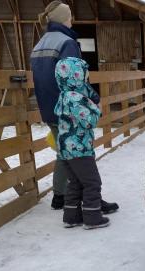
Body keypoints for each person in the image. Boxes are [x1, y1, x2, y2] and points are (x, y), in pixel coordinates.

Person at [30, 0, 118, 214]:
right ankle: (86, 199)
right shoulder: (66, 43)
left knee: (64, 152)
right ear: (63, 18)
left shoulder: (40, 44)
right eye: (70, 16)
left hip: (49, 107)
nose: (72, 20)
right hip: (70, 109)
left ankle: (63, 197)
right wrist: (92, 99)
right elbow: (74, 78)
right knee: (79, 153)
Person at [54, 57, 110, 229]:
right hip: (79, 148)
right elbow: (89, 121)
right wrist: (96, 108)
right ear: (75, 77)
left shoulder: (64, 95)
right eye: (84, 76)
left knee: (75, 182)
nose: (86, 79)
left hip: (65, 148)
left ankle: (71, 216)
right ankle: (93, 217)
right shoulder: (76, 98)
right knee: (92, 182)